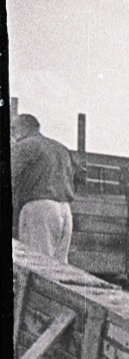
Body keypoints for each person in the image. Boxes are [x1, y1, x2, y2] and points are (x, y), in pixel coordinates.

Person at [10, 113, 81, 263]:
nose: (12, 133)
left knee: (38, 265)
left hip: (39, 209)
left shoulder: (24, 146)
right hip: (65, 210)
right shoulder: (60, 148)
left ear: (23, 129)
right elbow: (80, 178)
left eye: (13, 128)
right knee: (61, 268)